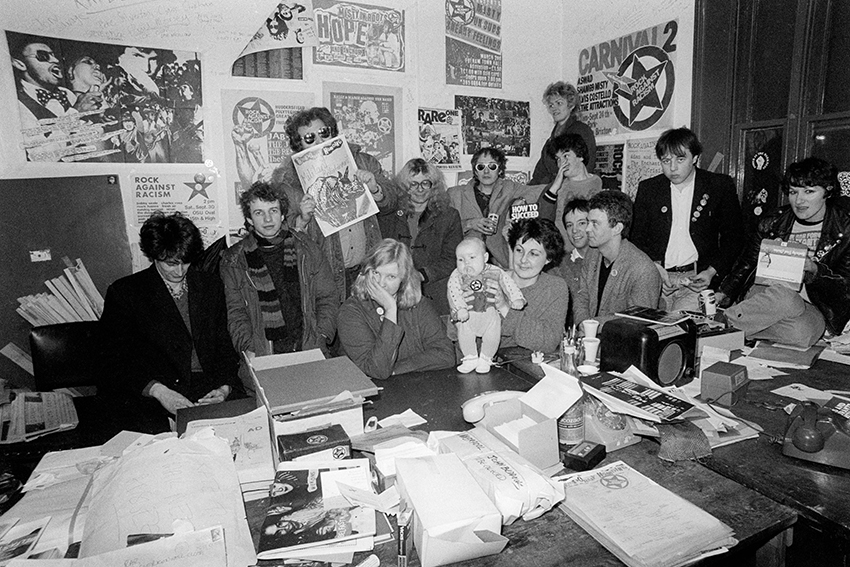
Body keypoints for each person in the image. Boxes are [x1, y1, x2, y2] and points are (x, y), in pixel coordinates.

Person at [100, 212, 240, 433]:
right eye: (171, 264)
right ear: (154, 255)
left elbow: (225, 346)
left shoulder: (210, 285)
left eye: (186, 262)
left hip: (207, 389)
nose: (180, 271)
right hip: (153, 392)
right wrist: (158, 391)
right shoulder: (126, 293)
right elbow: (114, 359)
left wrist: (224, 387)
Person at [271, 106, 399, 306]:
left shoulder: (362, 161)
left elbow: (392, 202)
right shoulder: (289, 181)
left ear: (332, 131)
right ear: (298, 145)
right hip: (327, 276)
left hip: (368, 270)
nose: (320, 141)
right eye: (309, 138)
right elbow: (281, 234)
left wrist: (375, 188)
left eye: (324, 132)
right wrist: (302, 219)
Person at [717, 158, 850, 347]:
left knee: (805, 335)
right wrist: (724, 292)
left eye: (809, 191)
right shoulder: (774, 221)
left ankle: (735, 330)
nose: (799, 200)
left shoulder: (845, 229)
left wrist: (814, 270)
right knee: (786, 297)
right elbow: (747, 263)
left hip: (811, 304)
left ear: (827, 191)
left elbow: (845, 287)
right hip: (766, 294)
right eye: (793, 192)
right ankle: (720, 325)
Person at [220, 181, 338, 394]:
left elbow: (327, 297)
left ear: (283, 214)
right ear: (249, 219)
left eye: (273, 211)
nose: (267, 219)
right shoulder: (234, 261)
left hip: (309, 352)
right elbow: (235, 313)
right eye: (259, 213)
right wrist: (249, 349)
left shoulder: (307, 249)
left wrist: (321, 337)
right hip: (263, 359)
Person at [631, 127, 743, 312]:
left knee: (683, 328)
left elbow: (734, 237)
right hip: (658, 278)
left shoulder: (718, 186)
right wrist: (654, 269)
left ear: (695, 158)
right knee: (649, 327)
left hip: (697, 280)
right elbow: (637, 238)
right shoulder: (649, 189)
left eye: (680, 159)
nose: (673, 168)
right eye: (666, 161)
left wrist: (711, 271)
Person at [337, 239, 455, 380]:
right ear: (366, 272)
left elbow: (446, 354)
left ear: (404, 279)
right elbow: (377, 370)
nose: (381, 283)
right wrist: (390, 310)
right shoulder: (351, 311)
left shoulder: (418, 303)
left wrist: (395, 369)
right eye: (376, 273)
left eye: (391, 277)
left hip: (414, 385)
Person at [378, 158, 462, 315]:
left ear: (434, 186)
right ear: (404, 187)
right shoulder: (390, 214)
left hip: (434, 293)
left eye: (425, 183)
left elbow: (452, 259)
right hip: (393, 290)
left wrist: (422, 275)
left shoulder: (449, 216)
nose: (420, 189)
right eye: (413, 184)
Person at [574, 191, 662, 326]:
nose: (587, 229)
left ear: (617, 228)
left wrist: (593, 325)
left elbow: (638, 320)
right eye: (588, 222)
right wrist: (583, 323)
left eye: (595, 223)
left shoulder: (643, 270)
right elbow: (582, 296)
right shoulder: (592, 254)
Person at [448, 147, 545, 269]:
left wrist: (522, 200)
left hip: (502, 261)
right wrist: (469, 224)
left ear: (500, 170)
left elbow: (538, 191)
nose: (486, 171)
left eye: (492, 166)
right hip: (466, 262)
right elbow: (444, 229)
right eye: (481, 167)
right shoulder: (455, 194)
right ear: (475, 171)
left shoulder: (510, 188)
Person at [486, 218, 568, 353]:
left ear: (548, 258)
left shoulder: (554, 287)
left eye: (533, 254)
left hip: (522, 362)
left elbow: (549, 341)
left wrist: (504, 308)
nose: (523, 259)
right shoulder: (491, 279)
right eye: (519, 250)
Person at [448, 238, 526, 373]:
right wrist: (460, 308)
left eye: (472, 257)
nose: (466, 263)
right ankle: (470, 358)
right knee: (464, 332)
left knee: (493, 334)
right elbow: (453, 292)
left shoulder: (495, 272)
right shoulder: (457, 275)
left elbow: (508, 284)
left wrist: (516, 298)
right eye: (460, 259)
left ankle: (486, 358)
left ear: (485, 258)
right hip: (468, 315)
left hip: (490, 314)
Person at [536, 133, 603, 247]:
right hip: (562, 250)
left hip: (591, 251)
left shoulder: (599, 183)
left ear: (580, 156)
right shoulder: (555, 187)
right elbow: (542, 221)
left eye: (566, 156)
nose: (561, 163)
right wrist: (555, 187)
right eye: (558, 159)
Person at [530, 81, 596, 184]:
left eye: (559, 103)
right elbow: (540, 172)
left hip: (573, 189)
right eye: (551, 105)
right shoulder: (552, 139)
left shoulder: (582, 131)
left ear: (571, 105)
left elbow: (586, 168)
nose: (554, 108)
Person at [557, 198, 592, 328]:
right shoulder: (559, 266)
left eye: (581, 223)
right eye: (569, 225)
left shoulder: (606, 261)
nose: (575, 230)